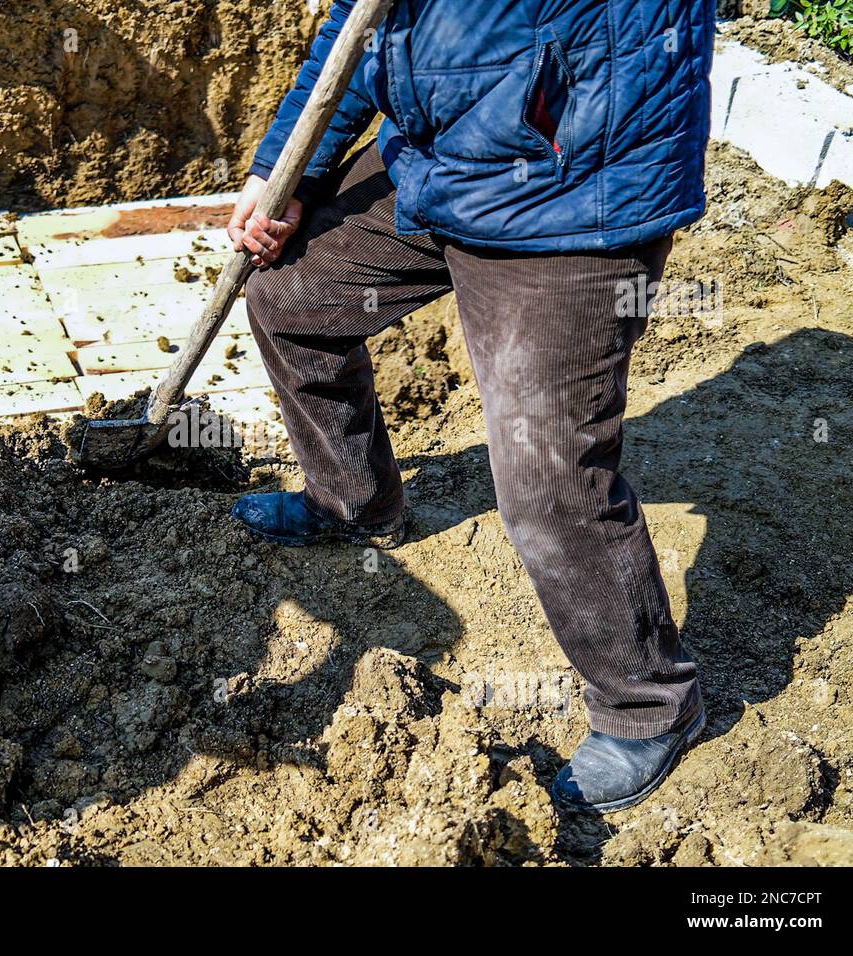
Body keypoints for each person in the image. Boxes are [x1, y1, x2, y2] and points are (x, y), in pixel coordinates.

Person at [227, 0, 713, 812]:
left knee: (545, 482)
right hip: (441, 164)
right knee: (291, 297)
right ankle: (355, 501)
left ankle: (649, 706)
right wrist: (291, 168)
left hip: (568, 192)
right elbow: (361, 26)